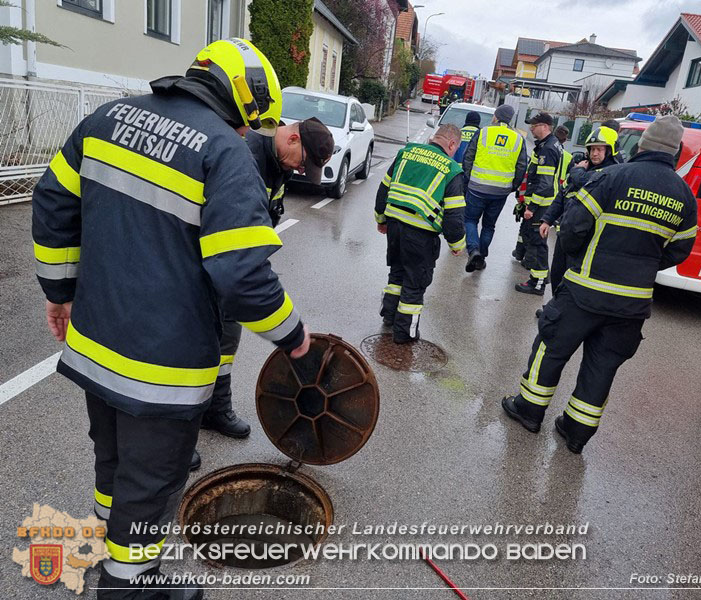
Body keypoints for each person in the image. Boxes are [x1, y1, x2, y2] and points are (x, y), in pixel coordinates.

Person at [32, 38, 311, 599]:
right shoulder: (224, 154)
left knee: (111, 462)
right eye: (250, 121)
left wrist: (59, 292)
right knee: (153, 479)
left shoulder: (106, 118)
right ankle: (129, 585)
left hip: (93, 346)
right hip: (162, 368)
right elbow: (242, 277)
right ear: (241, 101)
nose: (244, 133)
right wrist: (294, 336)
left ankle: (113, 552)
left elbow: (52, 201)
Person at [501, 116, 697, 453]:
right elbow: (679, 249)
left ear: (642, 145)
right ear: (676, 152)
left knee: (551, 347)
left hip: (585, 290)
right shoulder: (685, 196)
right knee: (602, 366)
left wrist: (579, 261)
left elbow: (575, 227)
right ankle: (576, 433)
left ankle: (529, 410)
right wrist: (642, 264)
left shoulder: (613, 177)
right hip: (632, 304)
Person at [203, 119, 333, 446]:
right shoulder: (244, 156)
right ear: (291, 137)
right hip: (207, 268)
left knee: (226, 342)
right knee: (193, 351)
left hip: (233, 267)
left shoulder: (278, 166)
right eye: (303, 161)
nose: (302, 170)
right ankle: (177, 433)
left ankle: (214, 410)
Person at [375, 124, 466, 343]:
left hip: (395, 228)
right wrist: (457, 244)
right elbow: (454, 216)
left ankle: (389, 316)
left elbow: (384, 189)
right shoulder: (451, 169)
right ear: (452, 144)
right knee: (415, 284)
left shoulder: (406, 152)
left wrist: (381, 218)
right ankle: (405, 333)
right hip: (421, 235)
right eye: (456, 148)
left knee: (397, 272)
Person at [539, 126, 618, 296]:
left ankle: (565, 314)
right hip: (566, 233)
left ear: (610, 151)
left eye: (599, 149)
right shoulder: (584, 167)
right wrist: (547, 220)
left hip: (586, 238)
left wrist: (577, 170)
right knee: (557, 272)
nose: (594, 153)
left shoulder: (610, 173)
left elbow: (583, 181)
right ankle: (555, 308)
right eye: (592, 149)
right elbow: (562, 194)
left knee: (573, 278)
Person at [461, 104, 527, 272]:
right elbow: (521, 167)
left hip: (477, 187)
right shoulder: (518, 139)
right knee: (489, 225)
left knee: (470, 220)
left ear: (496, 116)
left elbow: (468, 157)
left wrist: (469, 179)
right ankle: (480, 257)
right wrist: (512, 186)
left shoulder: (483, 132)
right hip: (500, 191)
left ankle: (473, 250)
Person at [514, 112, 561, 295]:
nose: (531, 129)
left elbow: (545, 183)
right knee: (535, 241)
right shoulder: (549, 144)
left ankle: (538, 283)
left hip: (541, 206)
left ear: (545, 126)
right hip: (543, 204)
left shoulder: (547, 149)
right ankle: (538, 278)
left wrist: (531, 207)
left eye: (534, 125)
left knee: (537, 243)